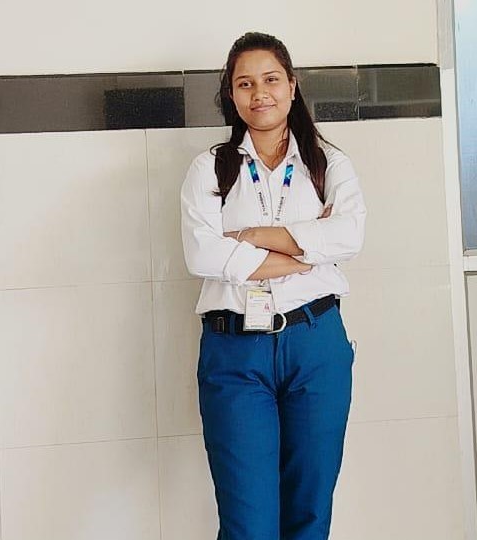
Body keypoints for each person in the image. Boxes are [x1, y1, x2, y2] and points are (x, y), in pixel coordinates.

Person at [180, 31, 366, 539]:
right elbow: (202, 254)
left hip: (316, 344)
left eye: (270, 80)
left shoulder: (328, 163)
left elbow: (348, 236)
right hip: (236, 352)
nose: (259, 93)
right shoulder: (210, 167)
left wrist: (253, 238)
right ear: (231, 93)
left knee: (309, 514)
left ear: (292, 85)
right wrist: (303, 254)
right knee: (249, 525)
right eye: (245, 83)